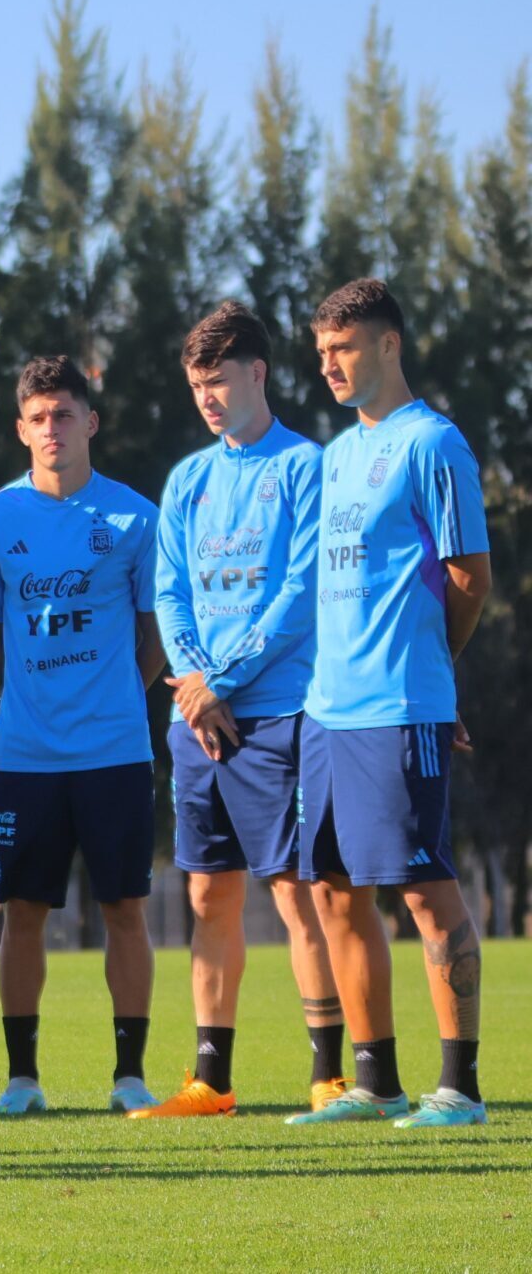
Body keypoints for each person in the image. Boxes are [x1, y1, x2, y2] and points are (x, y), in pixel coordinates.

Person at [130, 302, 344, 1120]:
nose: (208, 398)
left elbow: (303, 592)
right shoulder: (187, 479)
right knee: (207, 897)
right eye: (196, 386)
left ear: (258, 373)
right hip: (198, 718)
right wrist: (193, 683)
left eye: (219, 381)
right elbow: (168, 590)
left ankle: (329, 1073)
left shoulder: (306, 468)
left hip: (281, 712)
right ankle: (211, 1081)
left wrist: (222, 678)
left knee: (295, 893)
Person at [288, 279, 492, 1129]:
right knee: (334, 891)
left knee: (421, 890)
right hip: (326, 710)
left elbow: (468, 578)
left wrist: (432, 670)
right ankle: (375, 1082)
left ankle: (462, 1090)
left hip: (399, 703)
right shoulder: (336, 454)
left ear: (388, 346)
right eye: (322, 350)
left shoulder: (434, 444)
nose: (329, 365)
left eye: (344, 348)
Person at [0, 356, 163, 1116]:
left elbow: (156, 635)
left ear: (91, 422)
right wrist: (32, 704)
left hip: (115, 751)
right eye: (38, 418)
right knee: (23, 911)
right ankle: (22, 1079)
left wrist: (112, 697)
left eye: (66, 414)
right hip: (26, 756)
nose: (53, 429)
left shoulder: (136, 518)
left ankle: (130, 1076)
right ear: (22, 429)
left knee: (124, 910)